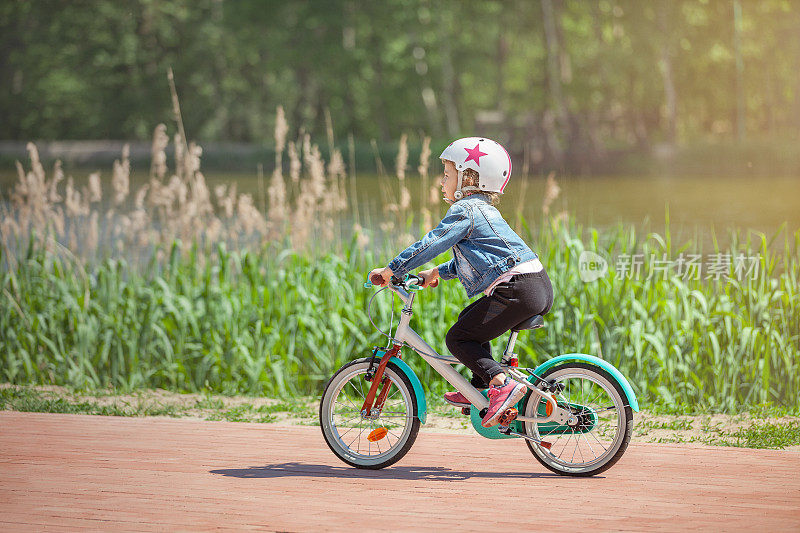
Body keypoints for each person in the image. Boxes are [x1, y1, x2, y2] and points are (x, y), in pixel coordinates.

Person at [369, 137, 554, 428]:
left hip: (518, 289)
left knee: (458, 338)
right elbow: (480, 258)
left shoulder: (465, 210)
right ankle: (479, 389)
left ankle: (500, 384)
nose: (442, 182)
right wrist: (436, 274)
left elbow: (432, 242)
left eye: (447, 175)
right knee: (468, 320)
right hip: (533, 285)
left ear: (470, 177)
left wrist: (394, 269)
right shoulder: (484, 209)